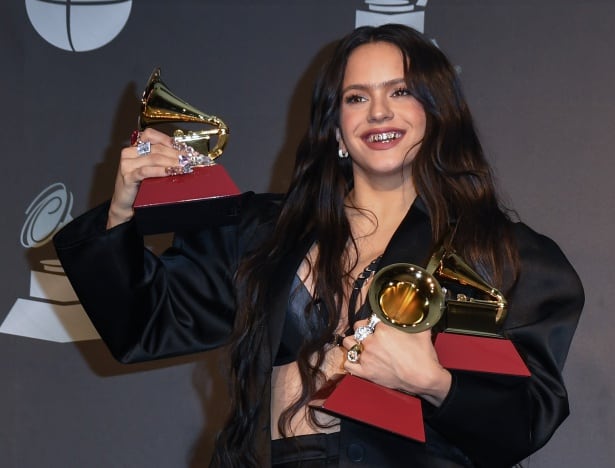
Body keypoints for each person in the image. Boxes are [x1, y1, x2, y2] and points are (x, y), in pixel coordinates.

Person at [53, 24, 584, 468]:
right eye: (357, 98)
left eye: (400, 92)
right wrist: (123, 208)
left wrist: (434, 383)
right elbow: (145, 321)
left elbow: (526, 419)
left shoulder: (500, 255)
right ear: (335, 127)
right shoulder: (265, 231)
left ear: (437, 112)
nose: (378, 112)